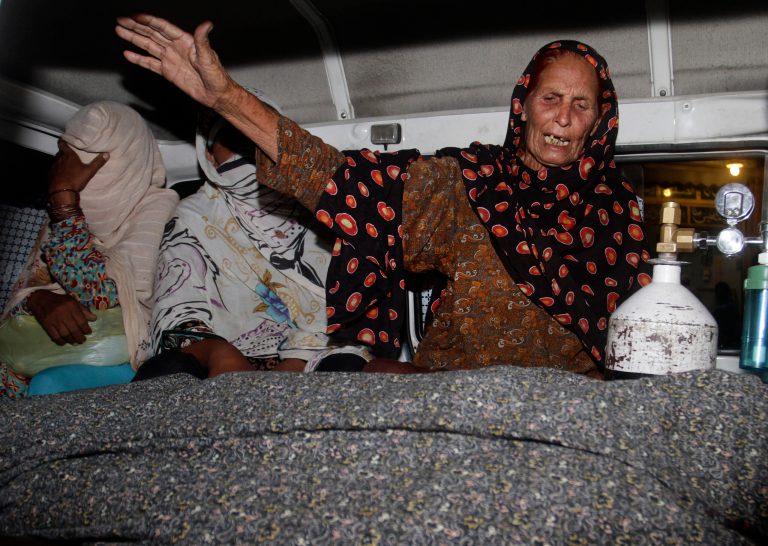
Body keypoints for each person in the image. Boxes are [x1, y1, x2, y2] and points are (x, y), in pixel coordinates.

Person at [116, 15, 652, 378]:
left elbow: (636, 340)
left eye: (582, 105)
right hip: (455, 403)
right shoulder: (470, 184)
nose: (563, 116)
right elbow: (340, 180)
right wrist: (228, 99)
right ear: (524, 105)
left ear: (600, 123)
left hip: (568, 410)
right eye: (551, 97)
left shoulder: (618, 210)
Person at [135, 95, 371, 380]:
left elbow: (354, 305)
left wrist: (292, 367)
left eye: (257, 137)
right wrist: (219, 353)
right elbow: (176, 313)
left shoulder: (324, 208)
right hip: (218, 358)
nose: (247, 150)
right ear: (208, 154)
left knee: (346, 368)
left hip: (314, 355)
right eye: (232, 139)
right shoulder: (192, 217)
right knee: (166, 372)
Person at [0, 101, 178, 397]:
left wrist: (65, 204)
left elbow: (100, 295)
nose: (70, 180)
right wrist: (37, 301)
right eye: (66, 164)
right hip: (44, 363)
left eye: (90, 166)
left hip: (132, 367)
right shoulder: (61, 224)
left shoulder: (163, 218)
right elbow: (19, 305)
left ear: (126, 164)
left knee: (49, 385)